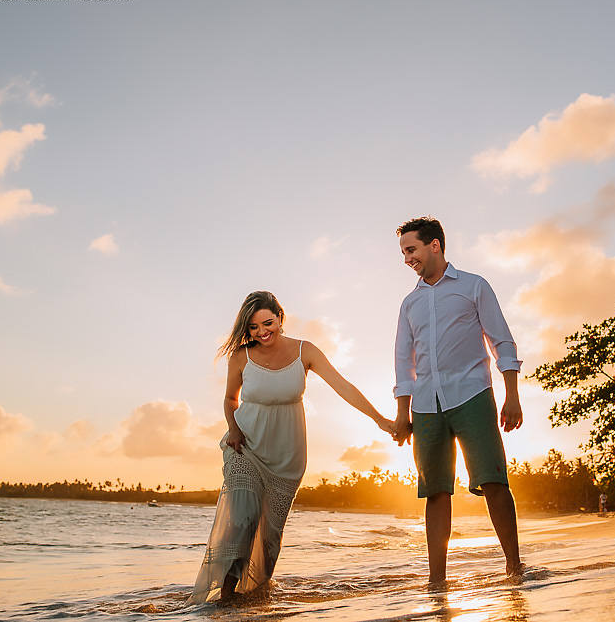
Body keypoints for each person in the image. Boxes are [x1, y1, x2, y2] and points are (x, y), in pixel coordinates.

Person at [189, 291, 396, 604]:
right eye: (254, 327)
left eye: (267, 323)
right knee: (240, 522)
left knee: (269, 535)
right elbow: (231, 398)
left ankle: (253, 597)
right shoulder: (241, 356)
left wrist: (379, 419)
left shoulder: (305, 351)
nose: (262, 332)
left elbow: (342, 386)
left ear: (280, 318)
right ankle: (224, 599)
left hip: (287, 457)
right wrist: (232, 428)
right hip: (245, 446)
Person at [392, 217, 524, 582]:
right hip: (425, 406)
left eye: (411, 249)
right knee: (435, 492)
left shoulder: (474, 286)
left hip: (472, 394)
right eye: (403, 252)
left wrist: (512, 395)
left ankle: (514, 566)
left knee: (494, 480)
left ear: (435, 245)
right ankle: (437, 581)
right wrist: (403, 412)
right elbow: (404, 362)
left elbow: (502, 341)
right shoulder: (409, 304)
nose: (407, 259)